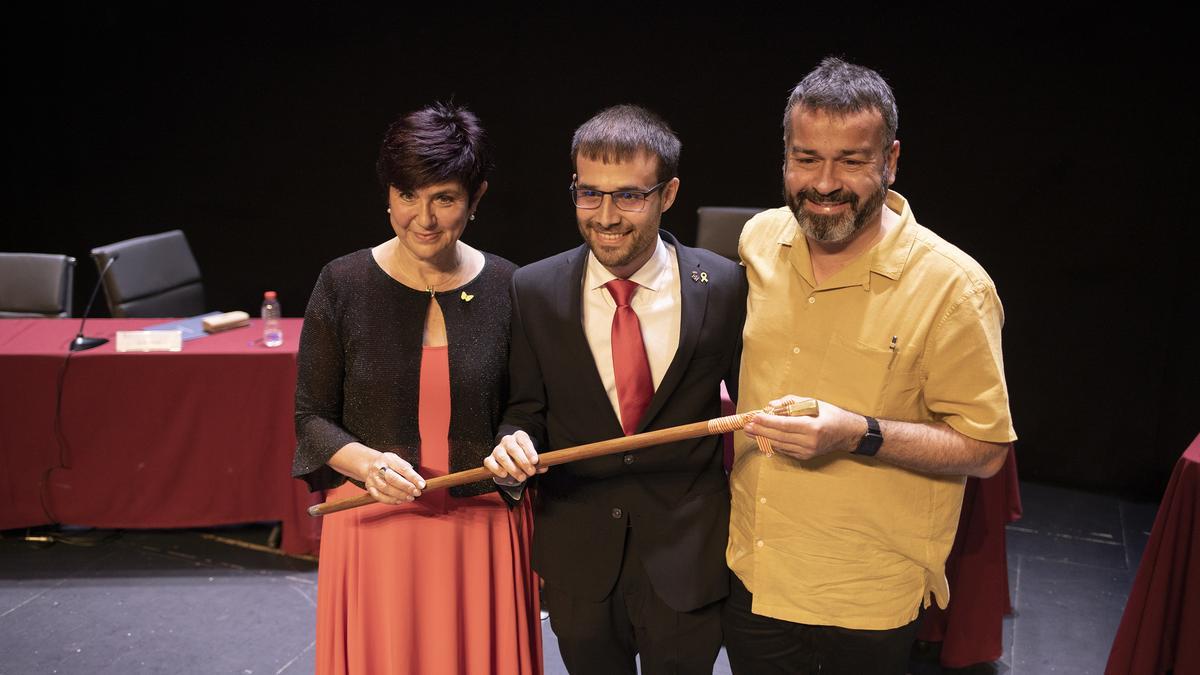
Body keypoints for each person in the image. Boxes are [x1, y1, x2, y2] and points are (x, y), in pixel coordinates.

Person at [723, 57, 1018, 674]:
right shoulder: (758, 240)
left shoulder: (955, 289)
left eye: (852, 161)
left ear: (891, 160)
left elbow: (985, 450)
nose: (824, 182)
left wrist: (859, 433)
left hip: (865, 601)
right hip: (754, 574)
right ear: (785, 156)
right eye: (806, 158)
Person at [483, 104, 746, 674]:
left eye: (629, 195)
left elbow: (752, 406)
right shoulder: (535, 289)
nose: (605, 216)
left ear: (668, 193)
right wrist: (512, 445)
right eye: (589, 193)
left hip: (689, 554)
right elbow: (525, 411)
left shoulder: (723, 285)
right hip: (580, 559)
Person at [292, 103, 541, 675]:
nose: (423, 218)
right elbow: (311, 417)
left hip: (482, 526)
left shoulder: (511, 286)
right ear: (388, 195)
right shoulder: (342, 283)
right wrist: (367, 463)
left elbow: (528, 406)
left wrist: (514, 441)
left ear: (476, 199)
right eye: (408, 196)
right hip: (373, 522)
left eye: (444, 199)